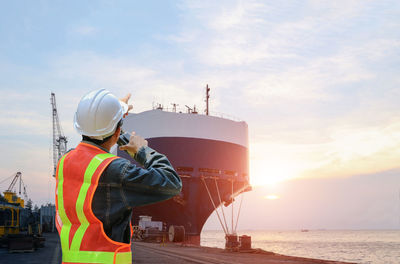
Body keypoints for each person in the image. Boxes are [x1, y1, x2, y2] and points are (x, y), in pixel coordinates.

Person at [55, 89, 182, 264]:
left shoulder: (65, 162)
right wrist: (141, 150)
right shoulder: (114, 170)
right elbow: (172, 182)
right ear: (117, 131)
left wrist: (115, 116)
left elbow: (98, 131)